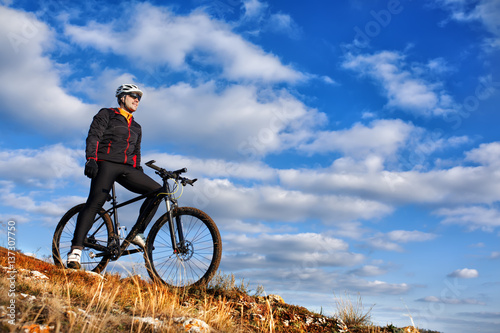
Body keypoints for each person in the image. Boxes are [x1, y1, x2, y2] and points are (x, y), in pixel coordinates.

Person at [67, 84, 161, 269]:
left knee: (158, 192)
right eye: (133, 95)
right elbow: (93, 136)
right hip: (105, 163)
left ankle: (136, 233)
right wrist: (91, 159)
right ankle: (75, 250)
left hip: (127, 168)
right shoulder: (107, 114)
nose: (137, 100)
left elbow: (136, 152)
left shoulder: (136, 126)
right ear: (122, 98)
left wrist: (138, 169)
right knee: (95, 202)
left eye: (139, 98)